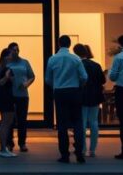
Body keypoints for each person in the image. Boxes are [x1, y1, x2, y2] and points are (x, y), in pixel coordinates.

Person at [46, 35, 88, 164]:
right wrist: (79, 85)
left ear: (59, 44)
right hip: (74, 91)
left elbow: (48, 79)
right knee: (77, 123)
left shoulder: (53, 59)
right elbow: (84, 77)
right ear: (69, 45)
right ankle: (80, 154)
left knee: (62, 124)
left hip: (60, 92)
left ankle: (64, 155)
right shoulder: (76, 59)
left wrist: (56, 86)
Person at [3, 42, 35, 153]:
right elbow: (1, 77)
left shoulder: (25, 62)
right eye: (13, 50)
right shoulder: (6, 63)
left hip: (23, 95)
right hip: (10, 95)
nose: (15, 51)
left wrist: (26, 84)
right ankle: (9, 143)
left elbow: (32, 76)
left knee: (22, 120)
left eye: (17, 49)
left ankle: (22, 143)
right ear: (9, 51)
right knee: (10, 120)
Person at [74, 44, 105, 157]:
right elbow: (103, 80)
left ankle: (82, 148)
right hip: (95, 96)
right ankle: (92, 149)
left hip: (81, 96)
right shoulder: (96, 65)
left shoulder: (77, 64)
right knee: (94, 122)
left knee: (81, 123)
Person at [0, 48, 18, 158]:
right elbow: (0, 83)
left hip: (4, 96)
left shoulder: (1, 67)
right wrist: (8, 78)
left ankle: (4, 148)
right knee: (6, 123)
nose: (12, 56)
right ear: (5, 57)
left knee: (5, 123)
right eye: (11, 55)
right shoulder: (5, 68)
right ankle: (2, 148)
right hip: (5, 96)